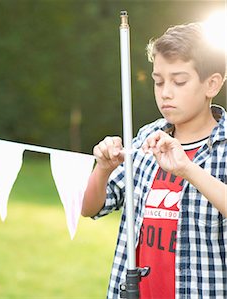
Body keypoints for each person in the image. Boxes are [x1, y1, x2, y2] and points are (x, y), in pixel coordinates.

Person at [81, 22, 226, 298]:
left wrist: (187, 169)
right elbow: (90, 207)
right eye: (158, 81)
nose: (165, 92)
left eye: (179, 81)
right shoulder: (148, 137)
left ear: (212, 84)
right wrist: (102, 170)